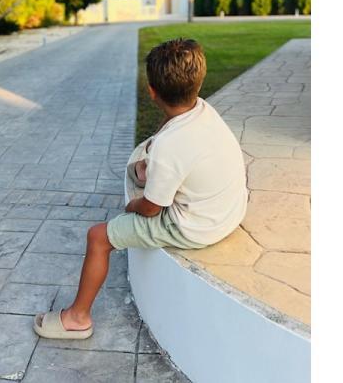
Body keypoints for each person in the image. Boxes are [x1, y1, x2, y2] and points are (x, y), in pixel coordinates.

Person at [33, 38, 248, 339]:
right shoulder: (202, 109)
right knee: (145, 169)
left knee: (98, 237)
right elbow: (174, 143)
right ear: (197, 81)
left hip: (197, 226)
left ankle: (77, 318)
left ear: (151, 91)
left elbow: (151, 209)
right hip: (228, 210)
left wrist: (131, 206)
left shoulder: (170, 147)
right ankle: (150, 176)